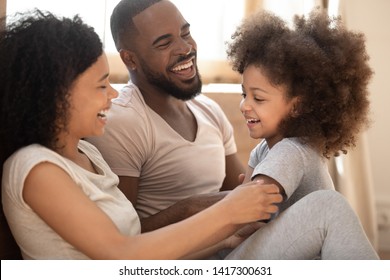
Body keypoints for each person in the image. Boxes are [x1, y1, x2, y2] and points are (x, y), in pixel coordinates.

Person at [0, 9, 379, 260]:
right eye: (101, 86)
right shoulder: (35, 168)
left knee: (314, 190)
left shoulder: (90, 159)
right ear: (56, 94)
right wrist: (229, 211)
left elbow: (141, 246)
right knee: (327, 209)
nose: (112, 95)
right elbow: (121, 255)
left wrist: (228, 235)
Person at [85, 0, 246, 233]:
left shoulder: (209, 109)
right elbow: (121, 236)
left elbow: (238, 192)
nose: (185, 48)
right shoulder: (122, 122)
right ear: (130, 59)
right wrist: (187, 209)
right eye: (164, 43)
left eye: (186, 33)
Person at [225, 9, 372, 216]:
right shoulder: (262, 150)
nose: (244, 106)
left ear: (297, 106)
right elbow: (242, 206)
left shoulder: (292, 152)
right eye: (244, 94)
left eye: (258, 98)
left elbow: (242, 217)